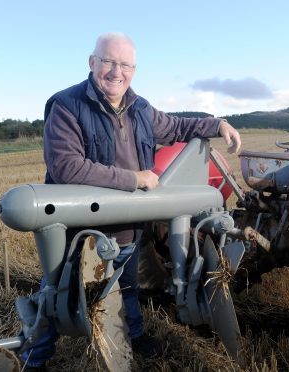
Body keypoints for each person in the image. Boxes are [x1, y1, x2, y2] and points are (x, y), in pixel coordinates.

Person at [21, 32, 241, 370]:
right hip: (80, 231)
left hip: (128, 227)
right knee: (56, 294)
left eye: (125, 64)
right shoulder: (66, 105)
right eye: (108, 61)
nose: (115, 71)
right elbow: (66, 166)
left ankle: (133, 336)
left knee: (127, 287)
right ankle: (34, 360)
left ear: (134, 70)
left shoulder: (140, 109)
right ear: (92, 62)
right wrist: (133, 179)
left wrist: (217, 123)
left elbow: (178, 126)